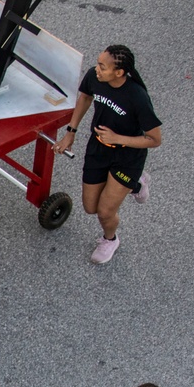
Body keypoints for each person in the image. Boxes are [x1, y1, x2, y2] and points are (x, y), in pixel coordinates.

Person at [53, 45, 162, 264]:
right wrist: (70, 133)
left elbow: (155, 139)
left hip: (128, 157)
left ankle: (110, 240)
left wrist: (118, 139)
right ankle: (136, 184)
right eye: (98, 63)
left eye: (103, 66)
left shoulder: (137, 97)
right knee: (90, 207)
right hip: (98, 150)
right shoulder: (95, 77)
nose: (96, 69)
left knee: (104, 212)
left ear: (119, 72)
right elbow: (85, 97)